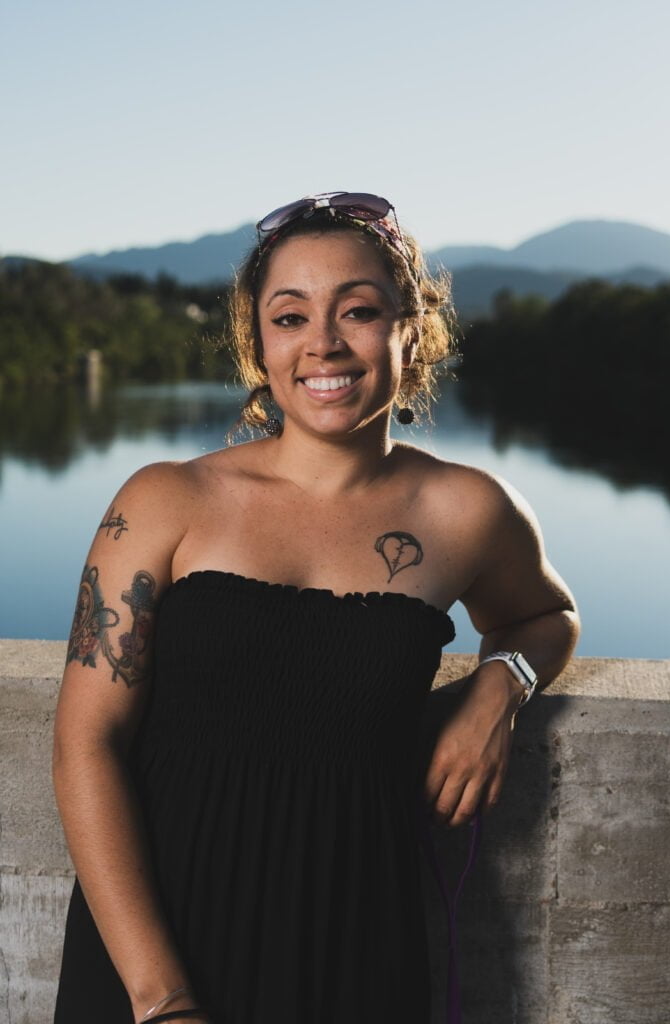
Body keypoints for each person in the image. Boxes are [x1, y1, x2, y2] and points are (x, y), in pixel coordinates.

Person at [52, 191, 580, 1024]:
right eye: (289, 316)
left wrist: (499, 688)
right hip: (152, 942)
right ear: (259, 343)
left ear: (413, 329)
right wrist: (161, 997)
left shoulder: (467, 510)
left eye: (359, 311)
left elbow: (545, 617)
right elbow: (87, 743)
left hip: (353, 939)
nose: (323, 344)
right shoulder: (162, 501)